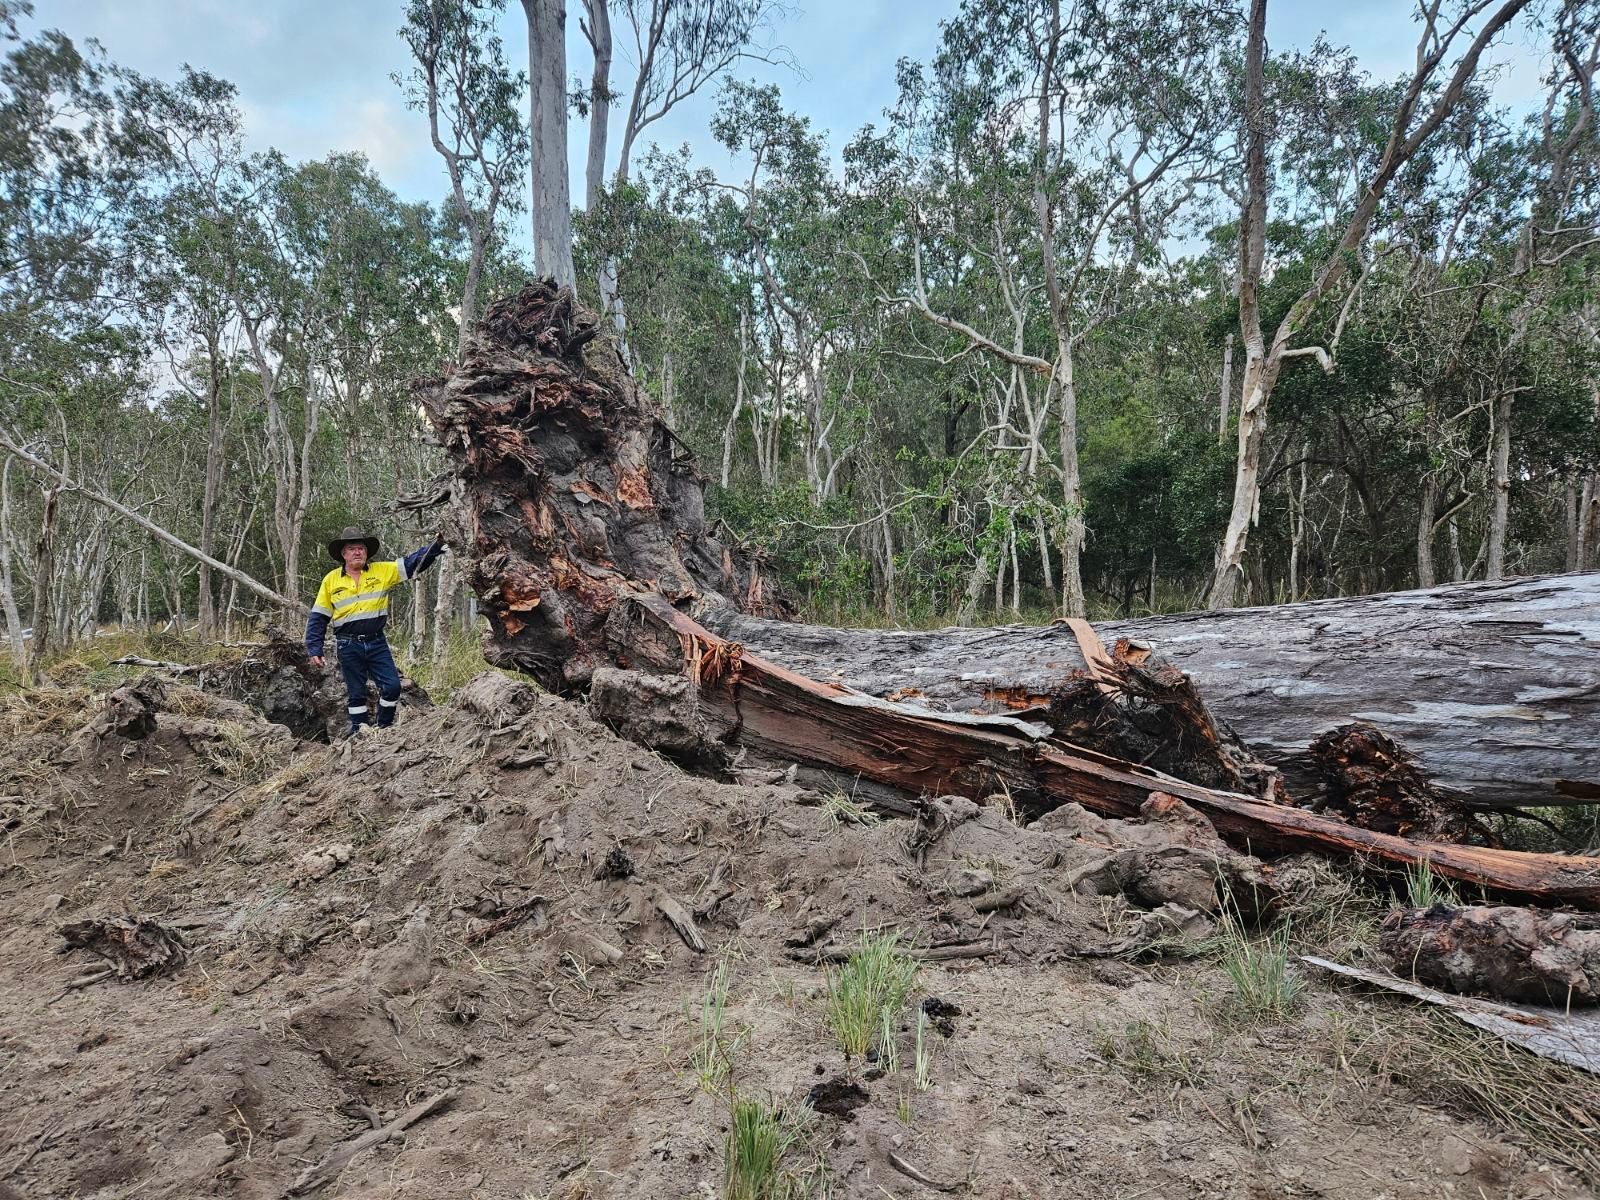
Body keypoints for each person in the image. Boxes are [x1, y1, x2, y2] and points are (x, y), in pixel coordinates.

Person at [306, 525, 446, 735]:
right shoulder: (331, 580)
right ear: (343, 554)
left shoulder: (382, 571)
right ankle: (359, 733)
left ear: (367, 552)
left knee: (392, 687)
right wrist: (314, 647)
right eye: (352, 548)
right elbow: (319, 616)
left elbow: (412, 563)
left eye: (361, 548)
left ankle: (385, 727)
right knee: (356, 693)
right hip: (347, 644)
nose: (357, 552)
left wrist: (437, 546)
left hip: (376, 642)